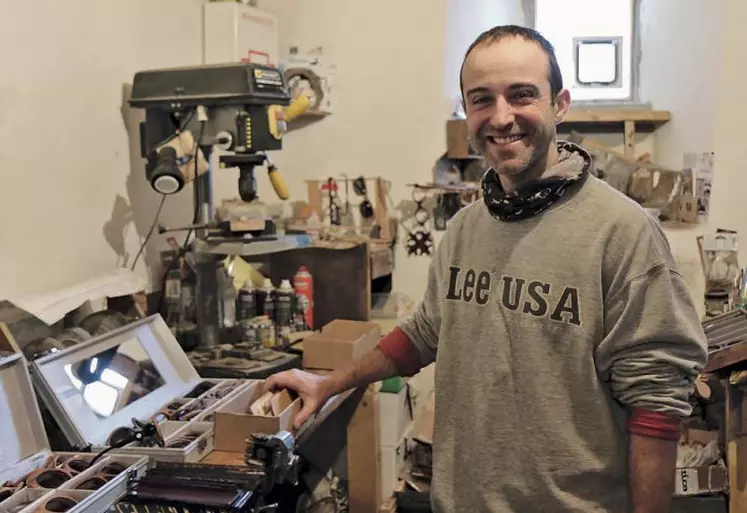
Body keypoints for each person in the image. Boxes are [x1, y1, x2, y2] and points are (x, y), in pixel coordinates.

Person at [266, 25, 709, 513]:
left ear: (560, 104)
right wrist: (327, 383)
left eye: (522, 95)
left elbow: (657, 402)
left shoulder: (622, 232)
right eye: (482, 100)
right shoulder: (465, 228)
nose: (501, 117)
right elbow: (421, 336)